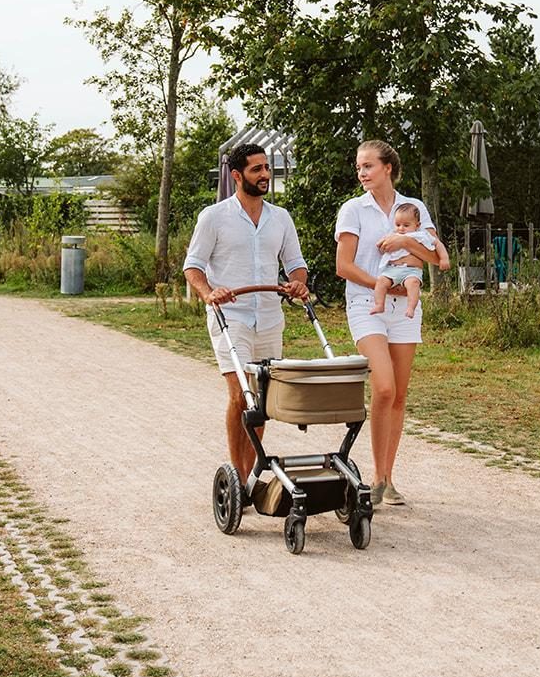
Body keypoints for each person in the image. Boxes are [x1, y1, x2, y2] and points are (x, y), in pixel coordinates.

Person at [183, 143, 309, 487]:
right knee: (241, 396)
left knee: (262, 400)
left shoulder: (280, 218)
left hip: (269, 317)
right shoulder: (214, 217)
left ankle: (250, 476)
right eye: (257, 169)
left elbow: (296, 265)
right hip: (231, 317)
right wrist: (209, 293)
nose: (265, 175)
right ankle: (237, 477)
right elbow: (192, 267)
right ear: (237, 175)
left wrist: (298, 284)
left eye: (266, 168)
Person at [334, 140, 447, 506]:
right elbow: (344, 266)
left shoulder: (414, 208)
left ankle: (385, 479)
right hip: (368, 303)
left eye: (368, 166)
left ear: (388, 167)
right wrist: (383, 284)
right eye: (359, 167)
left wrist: (403, 240)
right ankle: (374, 474)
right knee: (383, 387)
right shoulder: (353, 210)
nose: (362, 173)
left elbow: (433, 255)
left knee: (398, 393)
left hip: (406, 310)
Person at [369, 202, 435, 319]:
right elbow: (381, 244)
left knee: (413, 284)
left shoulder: (420, 236)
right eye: (398, 224)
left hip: (411, 271)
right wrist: (382, 244)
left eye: (406, 225)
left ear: (417, 225)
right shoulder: (393, 235)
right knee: (381, 282)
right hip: (392, 269)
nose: (401, 228)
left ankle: (411, 307)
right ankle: (380, 304)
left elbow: (433, 247)